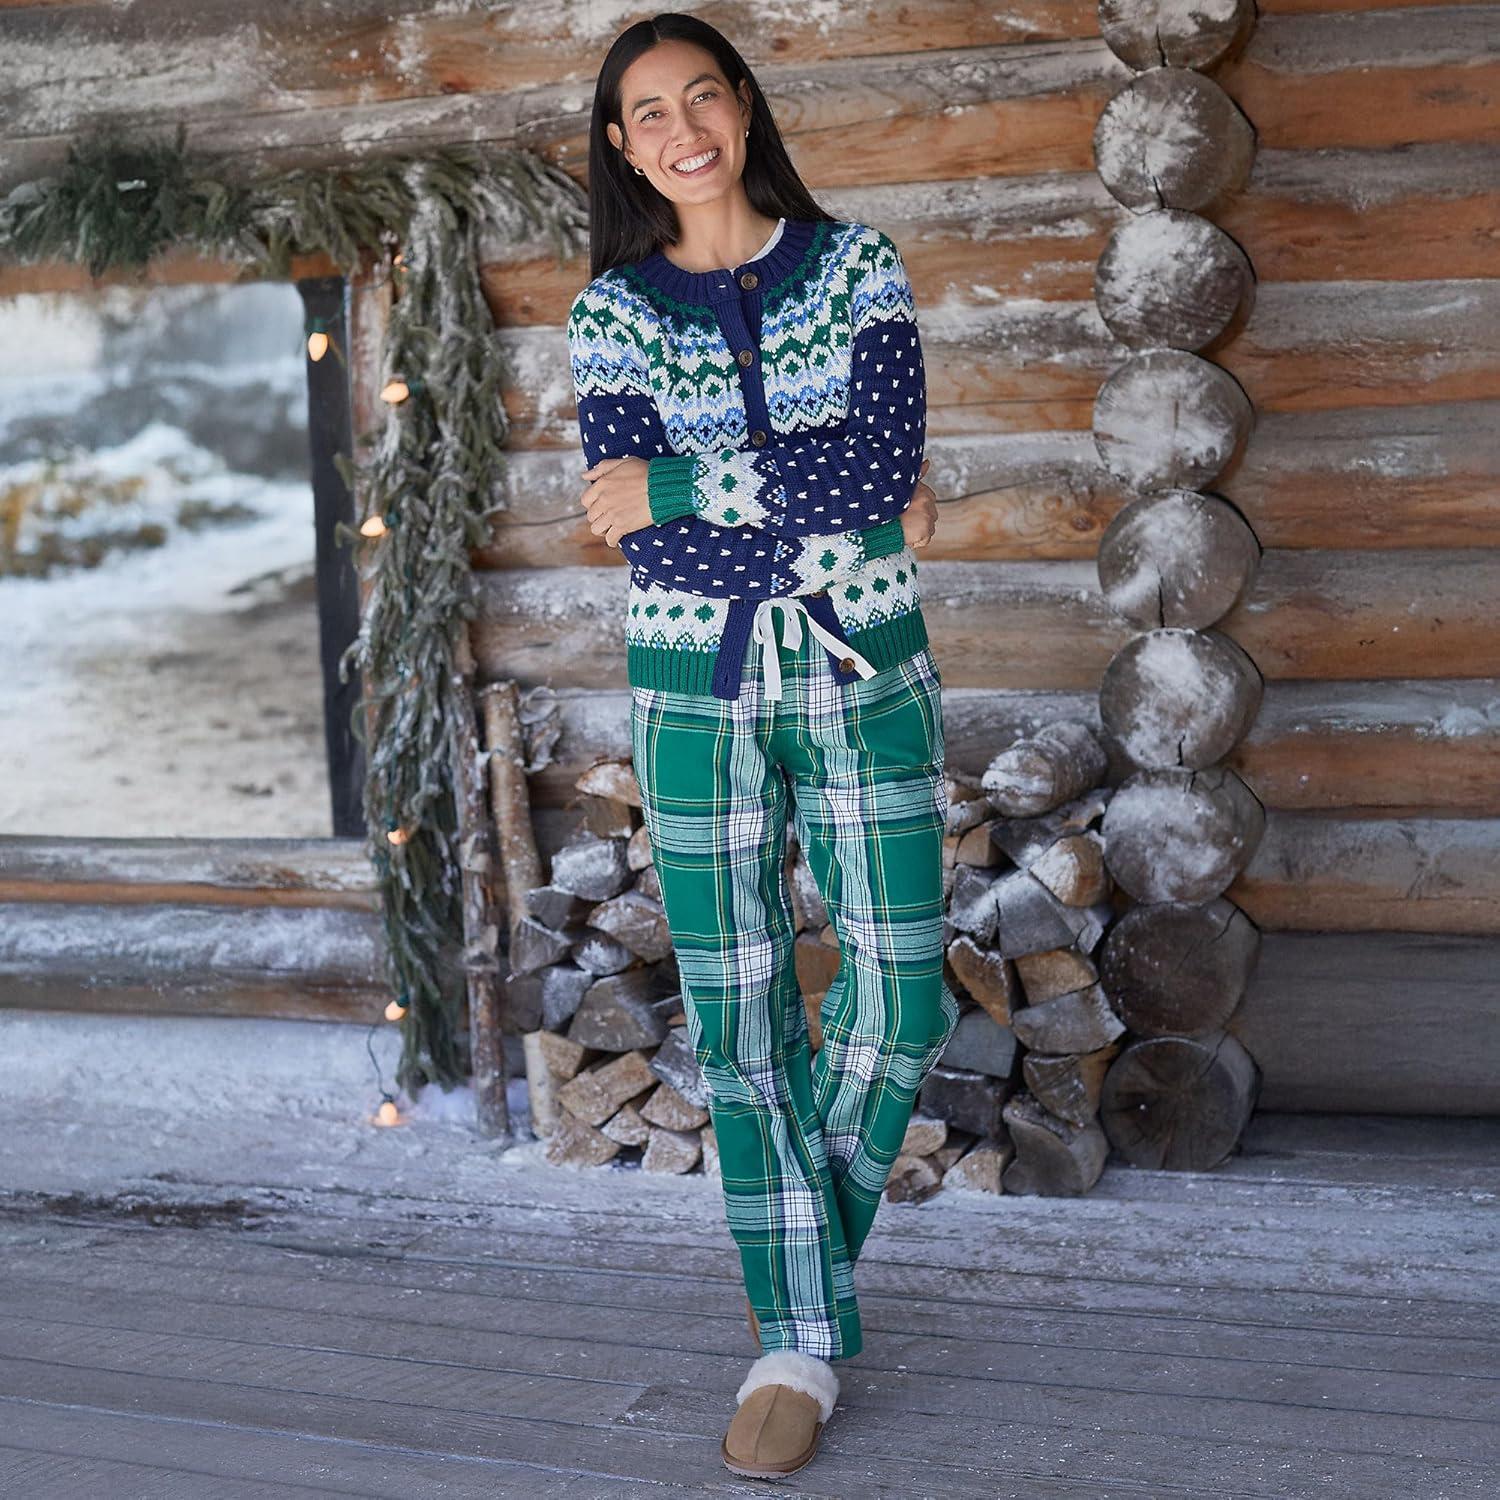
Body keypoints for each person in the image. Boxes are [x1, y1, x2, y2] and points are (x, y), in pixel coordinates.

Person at [565, 11, 960, 1479]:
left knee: (904, 995)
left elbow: (881, 463)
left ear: (742, 106)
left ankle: (800, 1273)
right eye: (649, 114)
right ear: (624, 148)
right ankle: (796, 1340)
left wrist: (681, 482)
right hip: (693, 692)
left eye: (702, 98)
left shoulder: (858, 269)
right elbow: (641, 542)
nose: (683, 130)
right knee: (741, 1019)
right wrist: (839, 513)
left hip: (868, 673)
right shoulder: (612, 314)